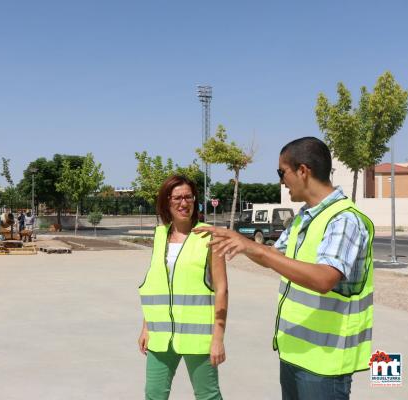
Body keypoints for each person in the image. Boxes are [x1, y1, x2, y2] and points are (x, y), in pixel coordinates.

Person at [193, 137, 374, 400]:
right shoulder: (304, 217)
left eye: (282, 172)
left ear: (303, 171)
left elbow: (324, 279)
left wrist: (257, 248)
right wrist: (240, 243)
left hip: (325, 363)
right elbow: (275, 256)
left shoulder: (343, 219)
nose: (281, 181)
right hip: (294, 353)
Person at [138, 175, 228, 400]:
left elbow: (222, 289)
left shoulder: (210, 235)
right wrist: (147, 326)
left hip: (198, 337)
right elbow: (157, 285)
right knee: (153, 394)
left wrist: (218, 338)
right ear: (167, 202)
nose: (183, 203)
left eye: (188, 197)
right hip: (161, 335)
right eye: (177, 197)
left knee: (208, 396)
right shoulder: (160, 236)